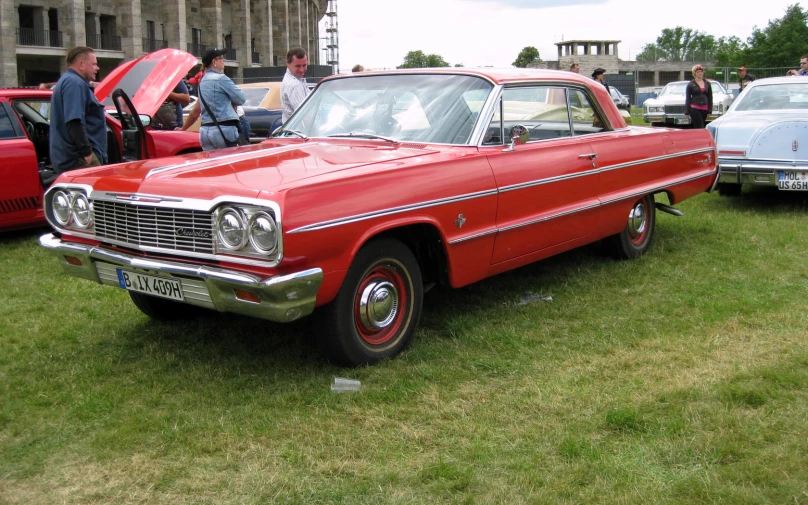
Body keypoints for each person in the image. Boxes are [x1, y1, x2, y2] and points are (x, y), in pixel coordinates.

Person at [49, 46, 107, 174]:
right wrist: (87, 152)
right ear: (81, 64)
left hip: (72, 157)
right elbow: (74, 121)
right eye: (94, 64)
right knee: (95, 191)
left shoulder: (68, 80)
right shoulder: (74, 83)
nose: (97, 68)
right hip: (78, 159)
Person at [195, 47, 246, 150]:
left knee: (213, 164)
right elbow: (241, 99)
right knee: (230, 163)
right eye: (221, 58)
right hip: (223, 128)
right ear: (214, 61)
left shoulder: (202, 81)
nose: (224, 60)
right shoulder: (221, 79)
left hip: (205, 129)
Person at [281, 47, 310, 123]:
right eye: (298, 66)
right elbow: (305, 116)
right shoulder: (294, 85)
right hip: (302, 131)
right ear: (288, 63)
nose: (301, 70)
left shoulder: (294, 79)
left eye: (304, 65)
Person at [684, 64, 712, 129]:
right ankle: (701, 138)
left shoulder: (707, 83)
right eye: (698, 72)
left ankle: (696, 137)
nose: (700, 73)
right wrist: (686, 111)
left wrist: (710, 109)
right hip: (694, 108)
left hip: (704, 108)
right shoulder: (691, 84)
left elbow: (710, 97)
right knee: (700, 126)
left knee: (699, 126)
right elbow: (688, 98)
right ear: (694, 73)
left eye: (701, 71)